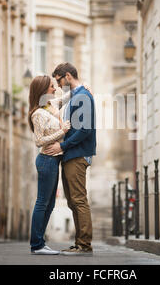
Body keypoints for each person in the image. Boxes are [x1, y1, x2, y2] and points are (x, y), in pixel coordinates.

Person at [46, 63, 97, 256]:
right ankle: (80, 243)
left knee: (78, 199)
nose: (58, 85)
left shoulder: (82, 96)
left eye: (59, 80)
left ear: (67, 76)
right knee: (73, 201)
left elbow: (84, 130)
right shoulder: (77, 95)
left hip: (76, 154)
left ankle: (84, 244)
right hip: (71, 155)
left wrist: (62, 146)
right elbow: (52, 104)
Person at [28, 75, 71, 255]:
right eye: (52, 87)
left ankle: (40, 242)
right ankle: (36, 244)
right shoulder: (38, 113)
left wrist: (80, 88)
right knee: (42, 203)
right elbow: (39, 141)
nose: (55, 89)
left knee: (50, 203)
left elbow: (64, 98)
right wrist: (62, 131)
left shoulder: (50, 106)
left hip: (54, 160)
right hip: (46, 160)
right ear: (43, 90)